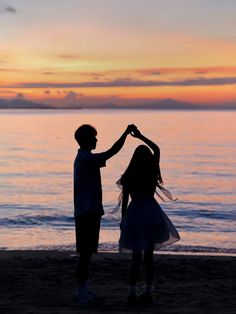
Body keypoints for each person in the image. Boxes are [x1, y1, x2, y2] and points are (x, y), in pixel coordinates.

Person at [73, 123, 137, 304]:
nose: (96, 140)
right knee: (85, 255)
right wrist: (125, 133)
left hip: (87, 210)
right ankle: (80, 292)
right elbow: (112, 151)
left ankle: (83, 289)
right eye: (93, 137)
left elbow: (108, 153)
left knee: (87, 254)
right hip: (87, 212)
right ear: (86, 139)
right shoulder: (86, 159)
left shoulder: (84, 158)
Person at [118, 128, 180, 307]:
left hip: (135, 213)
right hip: (151, 213)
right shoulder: (152, 170)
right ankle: (147, 292)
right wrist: (140, 137)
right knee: (149, 257)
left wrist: (123, 220)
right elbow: (157, 149)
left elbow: (124, 203)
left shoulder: (129, 176)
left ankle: (131, 293)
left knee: (136, 258)